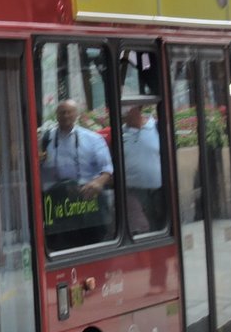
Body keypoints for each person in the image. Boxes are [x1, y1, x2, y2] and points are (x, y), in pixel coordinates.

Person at [39, 99, 115, 250]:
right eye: (62, 112)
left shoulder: (93, 139)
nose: (66, 115)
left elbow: (107, 169)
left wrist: (98, 182)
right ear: (57, 115)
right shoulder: (45, 140)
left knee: (91, 245)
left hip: (87, 204)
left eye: (70, 112)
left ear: (76, 115)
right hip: (58, 206)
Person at [120, 102, 164, 232]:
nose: (124, 112)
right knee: (142, 229)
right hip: (134, 193)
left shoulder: (156, 127)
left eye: (126, 108)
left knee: (160, 227)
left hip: (158, 191)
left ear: (137, 108)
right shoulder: (120, 133)